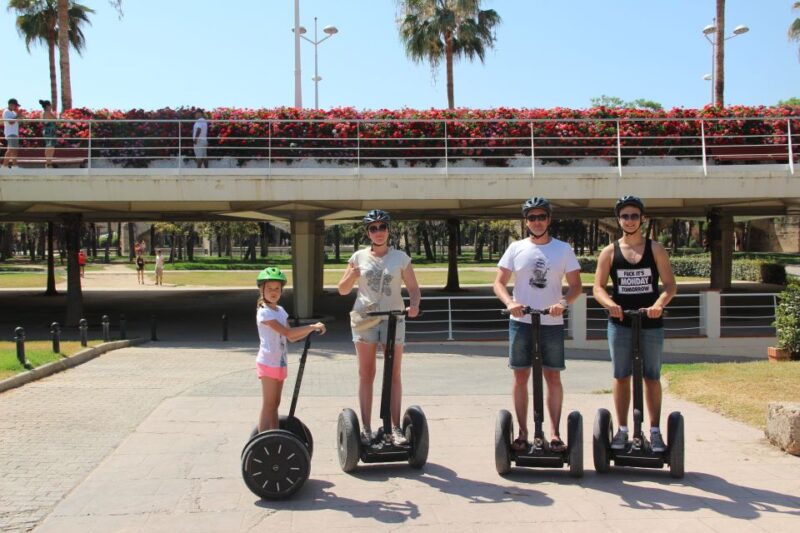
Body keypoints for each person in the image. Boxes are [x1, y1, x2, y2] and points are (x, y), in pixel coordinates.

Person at [493, 197, 582, 452]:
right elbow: (498, 282)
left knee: (552, 375)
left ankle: (554, 432)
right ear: (526, 221)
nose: (537, 222)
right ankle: (522, 432)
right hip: (520, 321)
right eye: (532, 218)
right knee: (520, 375)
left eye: (541, 217)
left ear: (549, 219)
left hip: (551, 322)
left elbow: (576, 286)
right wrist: (510, 302)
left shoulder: (563, 249)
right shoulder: (516, 248)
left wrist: (563, 303)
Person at [592, 195, 676, 453]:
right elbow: (598, 288)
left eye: (634, 216)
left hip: (650, 321)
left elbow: (670, 286)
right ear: (619, 220)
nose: (630, 220)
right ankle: (622, 430)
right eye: (625, 216)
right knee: (621, 376)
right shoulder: (609, 251)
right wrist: (610, 305)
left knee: (652, 376)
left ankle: (654, 431)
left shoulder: (656, 249)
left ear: (642, 219)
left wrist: (658, 305)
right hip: (620, 322)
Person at [337, 209, 421, 447]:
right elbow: (342, 290)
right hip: (365, 318)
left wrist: (413, 305)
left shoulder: (400, 258)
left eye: (382, 227)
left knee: (393, 374)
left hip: (394, 318)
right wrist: (351, 276)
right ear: (368, 233)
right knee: (367, 374)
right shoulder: (358, 257)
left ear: (388, 230)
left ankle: (395, 428)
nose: (378, 232)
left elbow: (413, 289)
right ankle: (364, 428)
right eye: (373, 228)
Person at [255, 266, 325, 431]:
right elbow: (286, 331)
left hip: (280, 362)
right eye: (269, 288)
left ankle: (275, 435)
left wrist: (310, 331)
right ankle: (262, 440)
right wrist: (311, 326)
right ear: (261, 289)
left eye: (277, 289)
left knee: (275, 404)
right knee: (268, 404)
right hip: (268, 362)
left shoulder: (280, 310)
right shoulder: (264, 312)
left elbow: (291, 337)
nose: (273, 292)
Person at [3, 98, 21, 168]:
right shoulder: (6, 112)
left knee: (14, 150)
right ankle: (4, 166)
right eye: (15, 105)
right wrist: (18, 115)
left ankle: (14, 166)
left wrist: (19, 116)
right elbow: (10, 122)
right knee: (11, 149)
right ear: (11, 104)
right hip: (10, 133)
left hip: (14, 133)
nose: (16, 107)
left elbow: (16, 121)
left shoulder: (13, 112)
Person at [39, 99, 57, 168]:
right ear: (47, 106)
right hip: (50, 132)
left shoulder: (42, 113)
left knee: (48, 147)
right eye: (50, 106)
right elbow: (56, 119)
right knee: (51, 147)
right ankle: (49, 163)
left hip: (46, 131)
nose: (51, 107)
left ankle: (48, 163)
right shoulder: (48, 113)